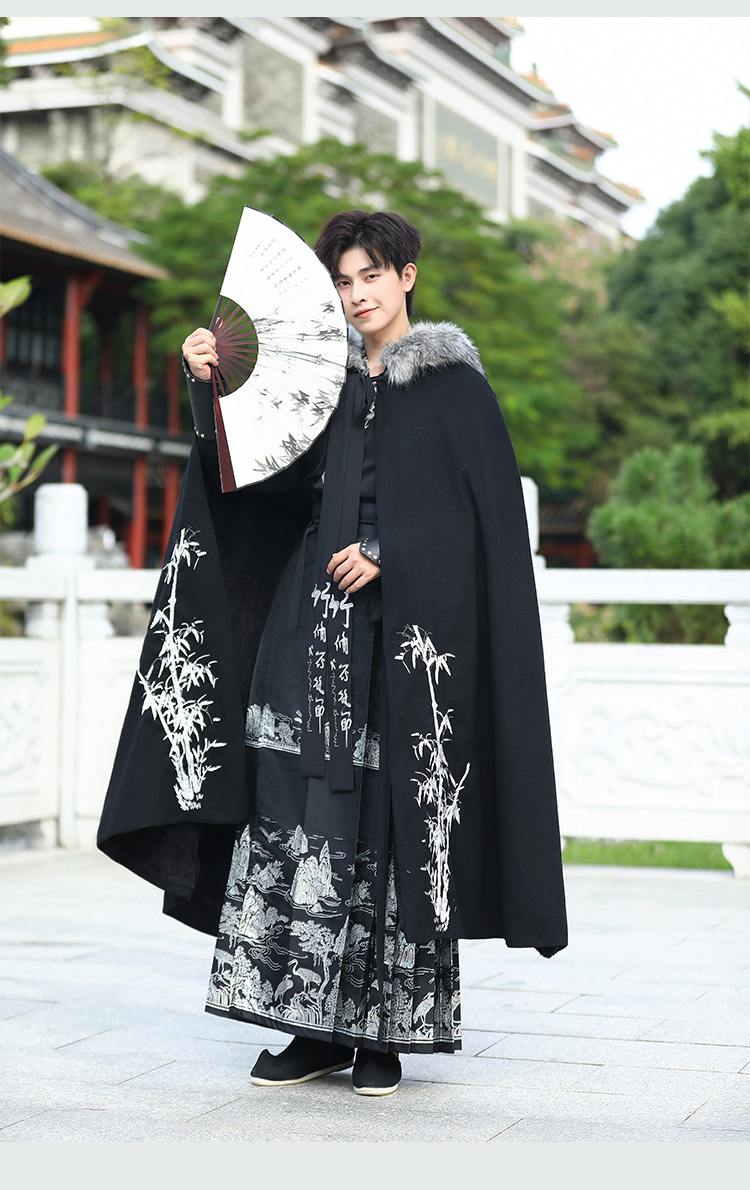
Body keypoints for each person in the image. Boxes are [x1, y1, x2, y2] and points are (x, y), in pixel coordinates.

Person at [98, 208, 568, 1098]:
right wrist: (209, 383)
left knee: (386, 819)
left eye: (371, 276)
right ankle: (306, 1026)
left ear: (407, 275)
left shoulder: (455, 389)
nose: (357, 295)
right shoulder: (318, 378)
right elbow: (252, 476)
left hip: (400, 640)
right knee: (292, 803)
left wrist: (392, 552)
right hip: (304, 627)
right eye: (344, 281)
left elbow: (482, 524)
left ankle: (381, 1038)